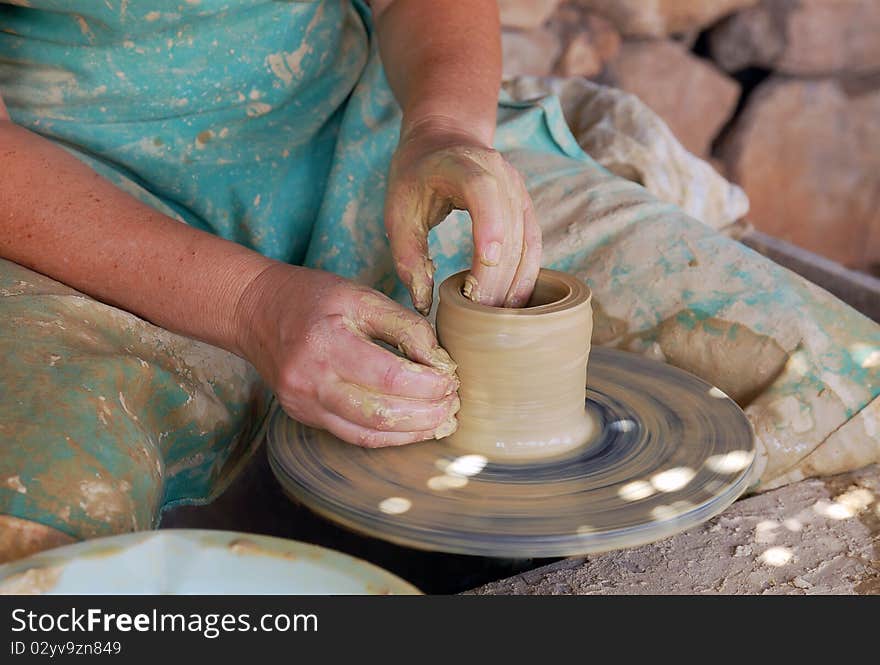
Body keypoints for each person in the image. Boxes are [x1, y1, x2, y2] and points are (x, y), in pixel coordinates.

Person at [1, 1, 877, 563]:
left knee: (847, 382)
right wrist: (247, 301)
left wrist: (447, 129)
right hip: (75, 210)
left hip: (370, 139)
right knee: (30, 540)